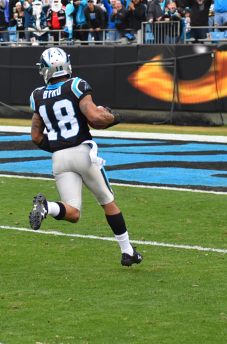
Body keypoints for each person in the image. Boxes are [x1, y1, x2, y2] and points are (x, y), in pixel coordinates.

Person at [28, 47, 142, 267]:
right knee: (108, 202)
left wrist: (59, 148)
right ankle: (127, 251)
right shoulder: (75, 85)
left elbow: (36, 136)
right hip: (83, 152)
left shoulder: (37, 95)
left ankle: (47, 207)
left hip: (59, 157)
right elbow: (95, 116)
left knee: (73, 213)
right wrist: (115, 117)